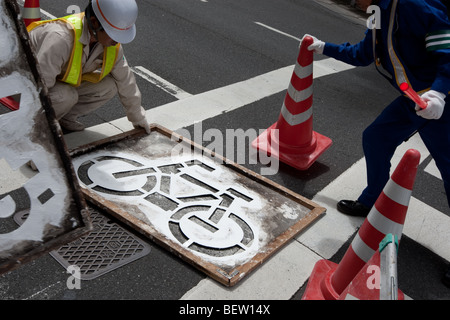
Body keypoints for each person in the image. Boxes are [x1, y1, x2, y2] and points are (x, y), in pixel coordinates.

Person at [308, 0, 450, 288]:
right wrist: (324, 47)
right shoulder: (378, 10)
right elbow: (365, 54)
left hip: (441, 105)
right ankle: (372, 199)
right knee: (377, 137)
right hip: (415, 100)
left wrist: (439, 93)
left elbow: (448, 51)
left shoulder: (416, 5)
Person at [27, 0, 150, 133]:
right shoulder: (61, 38)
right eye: (113, 34)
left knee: (109, 86)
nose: (117, 41)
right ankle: (33, 127)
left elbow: (126, 81)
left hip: (56, 81)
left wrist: (138, 118)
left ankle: (65, 118)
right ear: (94, 22)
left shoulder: (110, 45)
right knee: (66, 96)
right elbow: (38, 87)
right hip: (26, 85)